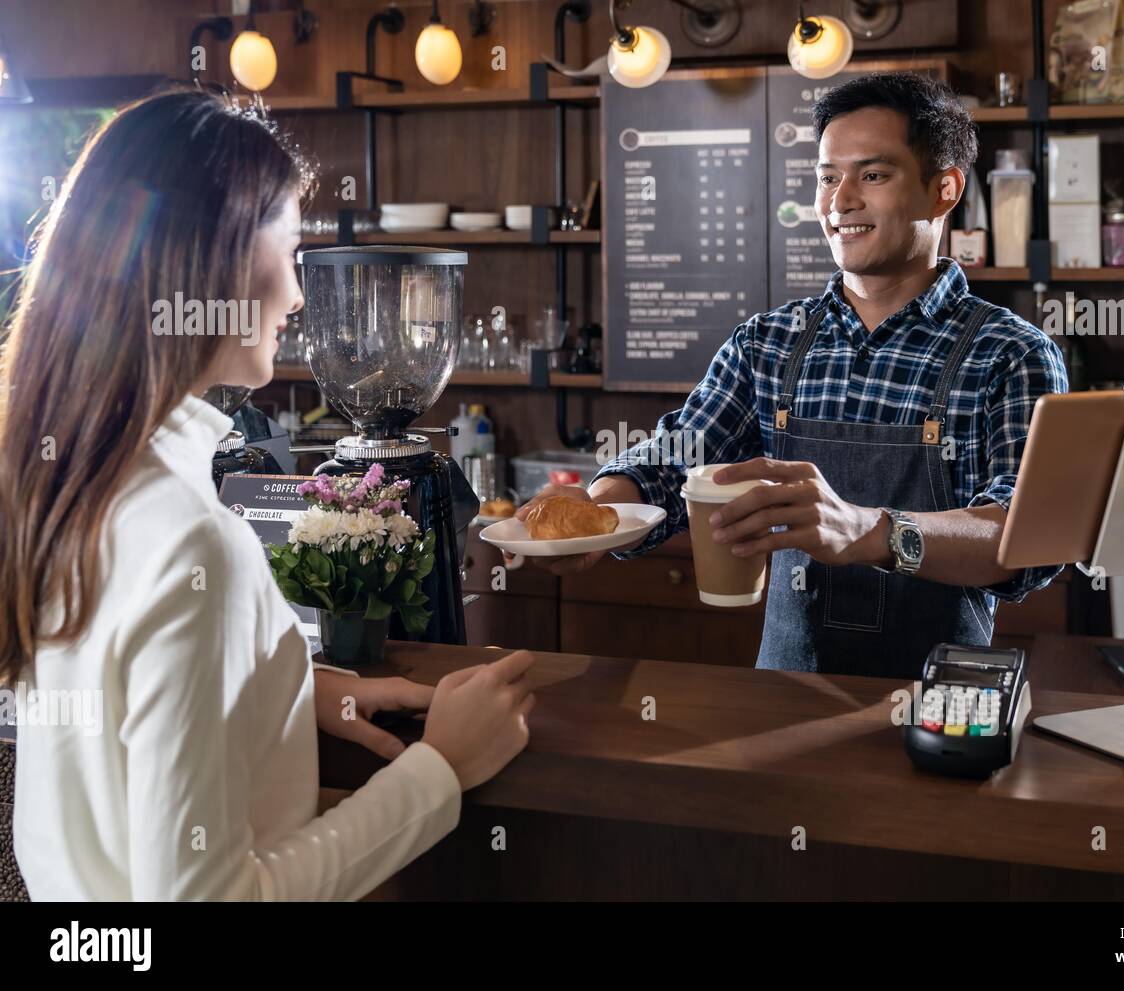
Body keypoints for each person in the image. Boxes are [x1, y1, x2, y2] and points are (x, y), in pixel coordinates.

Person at [0, 88, 535, 900]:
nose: (294, 295)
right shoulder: (190, 544)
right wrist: (441, 769)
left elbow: (114, 729)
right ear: (209, 262)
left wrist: (283, 690)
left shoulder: (61, 489)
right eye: (287, 254)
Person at [515, 73, 1068, 677]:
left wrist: (869, 531)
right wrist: (591, 517)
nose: (840, 200)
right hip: (783, 696)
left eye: (873, 175)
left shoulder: (1010, 354)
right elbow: (675, 460)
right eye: (828, 177)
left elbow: (1022, 536)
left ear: (944, 189)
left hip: (942, 710)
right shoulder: (767, 343)